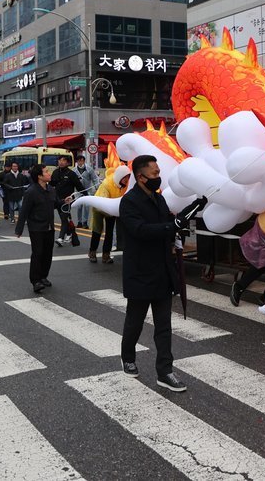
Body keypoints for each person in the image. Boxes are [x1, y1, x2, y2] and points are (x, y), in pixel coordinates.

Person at [119, 155, 192, 393]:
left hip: (162, 271)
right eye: (154, 174)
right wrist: (170, 227)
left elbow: (169, 223)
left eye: (159, 172)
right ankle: (128, 356)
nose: (158, 177)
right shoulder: (129, 202)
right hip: (139, 271)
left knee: (164, 325)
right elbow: (139, 230)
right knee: (135, 321)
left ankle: (165, 371)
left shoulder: (159, 200)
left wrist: (186, 215)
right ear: (140, 177)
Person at [15, 164, 66, 293]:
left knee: (48, 254)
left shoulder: (51, 190)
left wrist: (65, 201)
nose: (49, 173)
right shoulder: (31, 192)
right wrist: (19, 229)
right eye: (46, 172)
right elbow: (24, 211)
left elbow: (56, 204)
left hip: (49, 227)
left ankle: (43, 276)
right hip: (36, 228)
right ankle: (35, 281)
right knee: (37, 254)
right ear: (39, 176)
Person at [88, 165, 130, 264]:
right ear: (120, 176)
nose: (126, 180)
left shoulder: (125, 185)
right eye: (125, 177)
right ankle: (92, 252)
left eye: (128, 177)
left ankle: (106, 255)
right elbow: (103, 202)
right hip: (99, 207)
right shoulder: (107, 183)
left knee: (109, 233)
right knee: (97, 231)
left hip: (112, 208)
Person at [50, 156, 82, 247]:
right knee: (65, 218)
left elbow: (79, 187)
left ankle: (60, 238)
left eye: (64, 160)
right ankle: (70, 233)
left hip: (67, 200)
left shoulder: (71, 174)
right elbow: (51, 184)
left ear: (68, 163)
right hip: (57, 200)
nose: (61, 162)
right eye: (60, 160)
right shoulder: (55, 172)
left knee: (64, 218)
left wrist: (87, 196)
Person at [74, 155, 101, 229]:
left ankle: (85, 222)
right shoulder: (74, 170)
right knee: (79, 207)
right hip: (78, 191)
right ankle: (79, 222)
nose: (80, 162)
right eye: (79, 160)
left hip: (87, 190)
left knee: (86, 207)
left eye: (82, 160)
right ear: (77, 161)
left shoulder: (89, 169)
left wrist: (97, 187)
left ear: (84, 161)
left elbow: (95, 179)